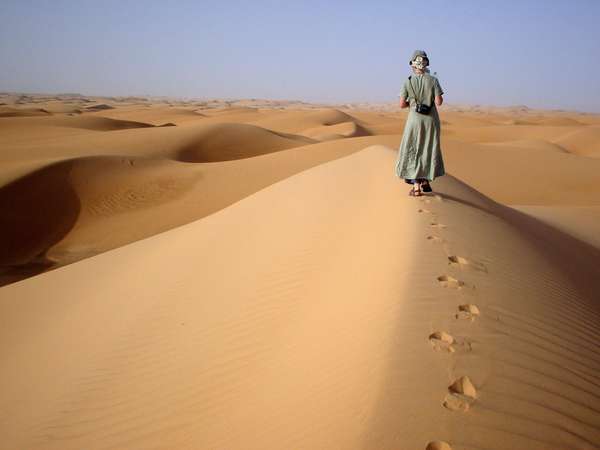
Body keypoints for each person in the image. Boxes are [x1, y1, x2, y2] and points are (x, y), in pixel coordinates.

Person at [395, 50, 445, 196]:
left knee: (413, 149)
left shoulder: (408, 81)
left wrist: (413, 102)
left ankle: (416, 186)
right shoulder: (433, 80)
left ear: (412, 64)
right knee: (428, 149)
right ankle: (426, 180)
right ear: (426, 63)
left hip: (414, 120)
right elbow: (439, 102)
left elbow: (401, 105)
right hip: (431, 121)